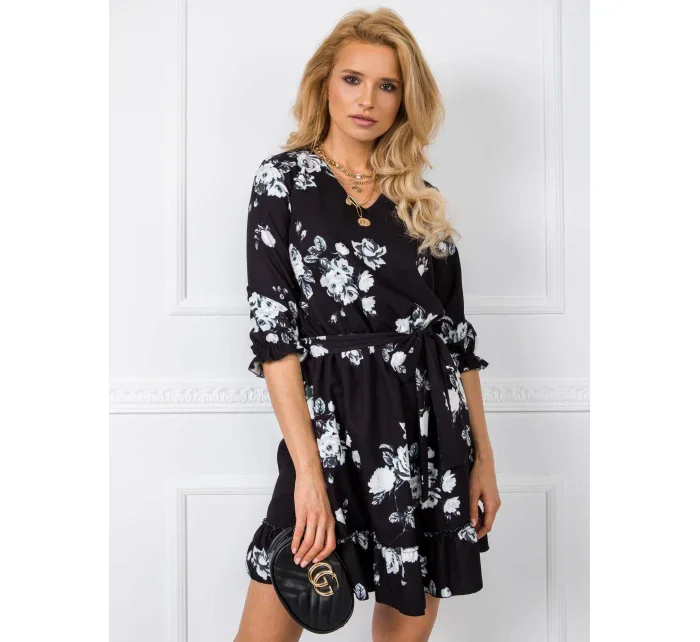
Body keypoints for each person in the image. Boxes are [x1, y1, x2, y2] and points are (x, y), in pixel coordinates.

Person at [234, 8, 500, 642]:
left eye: (388, 86)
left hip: (428, 432)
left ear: (405, 100)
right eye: (353, 79)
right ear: (324, 83)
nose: (368, 100)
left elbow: (456, 341)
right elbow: (275, 341)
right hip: (327, 434)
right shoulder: (282, 182)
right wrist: (307, 475)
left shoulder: (420, 196)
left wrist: (483, 460)